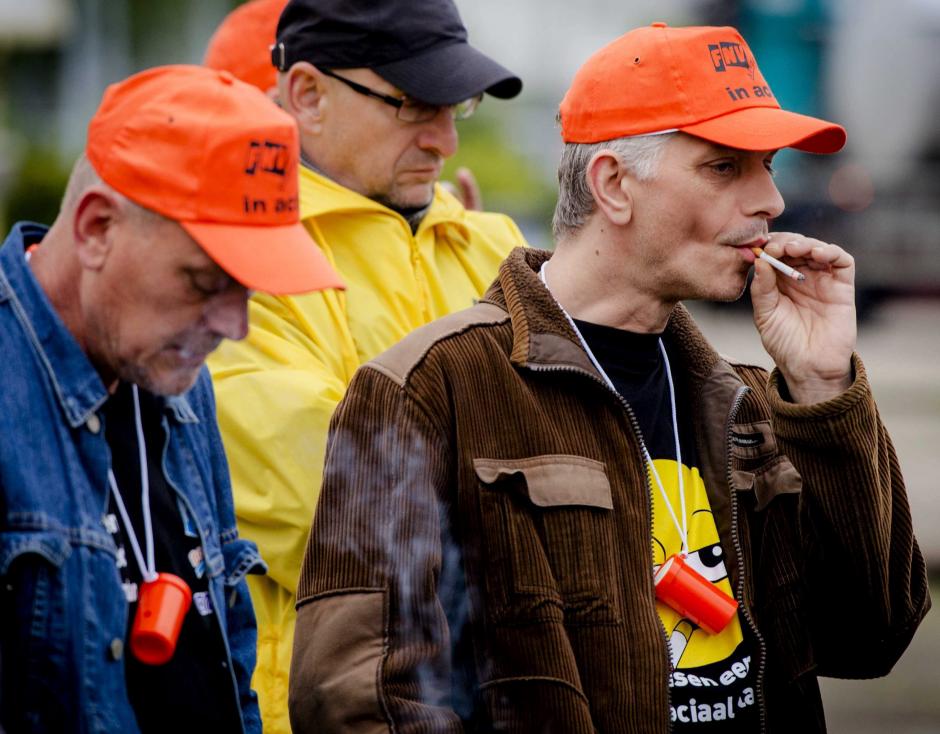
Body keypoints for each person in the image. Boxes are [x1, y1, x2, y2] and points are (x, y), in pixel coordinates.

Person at [288, 23, 931, 733]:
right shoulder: (429, 388)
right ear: (613, 185)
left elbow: (872, 637)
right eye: (725, 167)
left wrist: (820, 386)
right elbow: (361, 701)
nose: (770, 202)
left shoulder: (752, 401)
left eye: (769, 166)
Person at [204, 0, 527, 729]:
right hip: (319, 708)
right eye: (414, 105)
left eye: (458, 105)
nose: (445, 140)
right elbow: (349, 502)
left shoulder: (489, 242)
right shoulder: (234, 260)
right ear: (308, 95)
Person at [0, 65, 342, 732]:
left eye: (249, 289)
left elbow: (230, 647)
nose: (233, 325)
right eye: (204, 280)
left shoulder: (180, 383)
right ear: (97, 228)